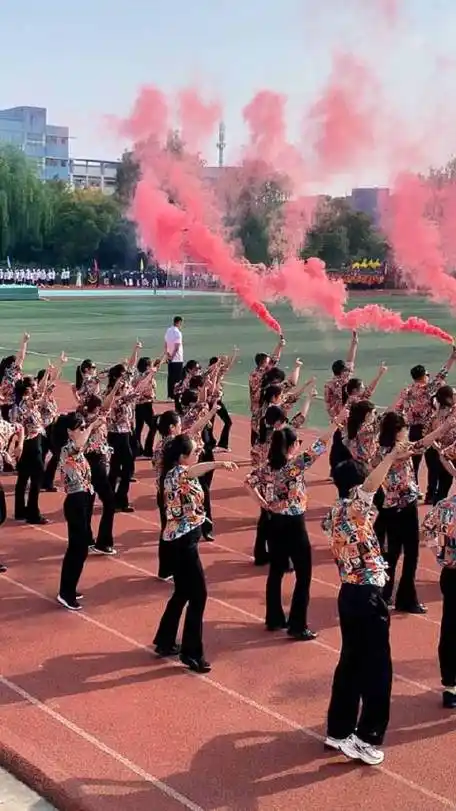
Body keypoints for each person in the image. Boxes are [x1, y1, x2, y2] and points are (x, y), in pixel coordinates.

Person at [322, 449, 407, 766]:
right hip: (368, 597)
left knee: (350, 663)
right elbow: (371, 487)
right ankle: (366, 737)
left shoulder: (336, 511)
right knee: (378, 671)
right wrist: (391, 458)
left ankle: (339, 730)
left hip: (349, 594)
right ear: (356, 488)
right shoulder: (355, 508)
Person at [153, 434, 237, 672]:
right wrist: (219, 464)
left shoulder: (174, 473)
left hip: (179, 540)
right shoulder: (178, 473)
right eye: (194, 451)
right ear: (182, 457)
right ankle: (191, 653)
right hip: (183, 542)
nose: (198, 452)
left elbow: (194, 472)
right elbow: (193, 471)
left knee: (182, 592)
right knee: (198, 595)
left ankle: (165, 640)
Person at [245, 421, 332, 640]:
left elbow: (247, 482)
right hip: (294, 523)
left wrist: (263, 503)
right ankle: (297, 624)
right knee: (304, 575)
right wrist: (337, 423)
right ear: (292, 446)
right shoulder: (294, 466)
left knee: (275, 572)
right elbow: (320, 446)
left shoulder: (267, 467)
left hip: (274, 522)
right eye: (298, 443)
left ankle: (274, 618)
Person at [394, 346, 456, 502]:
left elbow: (397, 409)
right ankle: (430, 495)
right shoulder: (428, 389)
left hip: (412, 430)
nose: (429, 377)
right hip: (430, 429)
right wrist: (452, 357)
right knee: (433, 466)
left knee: (412, 462)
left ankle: (412, 491)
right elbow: (442, 375)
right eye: (427, 374)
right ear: (423, 376)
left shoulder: (406, 391)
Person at [57, 411, 103, 611]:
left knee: (80, 548)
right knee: (77, 548)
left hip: (83, 499)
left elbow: (89, 444)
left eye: (84, 427)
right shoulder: (68, 449)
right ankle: (65, 593)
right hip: (75, 502)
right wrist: (92, 426)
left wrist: (96, 427)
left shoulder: (79, 450)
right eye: (80, 428)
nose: (84, 430)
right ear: (69, 432)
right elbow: (79, 444)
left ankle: (68, 588)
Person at [422, 450, 456, 708]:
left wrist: (441, 555)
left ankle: (450, 684)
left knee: (450, 628)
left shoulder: (444, 506)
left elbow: (426, 531)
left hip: (450, 573)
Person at [164, 316, 184, 400]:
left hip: (169, 357)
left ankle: (170, 395)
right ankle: (176, 395)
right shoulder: (178, 333)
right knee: (178, 378)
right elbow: (177, 347)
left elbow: (165, 343)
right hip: (177, 358)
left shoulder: (168, 330)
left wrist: (167, 355)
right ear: (179, 322)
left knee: (171, 377)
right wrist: (172, 357)